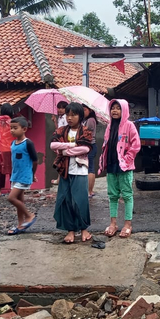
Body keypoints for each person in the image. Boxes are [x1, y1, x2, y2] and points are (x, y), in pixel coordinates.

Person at [51, 103, 93, 243]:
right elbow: (53, 145)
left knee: (80, 200)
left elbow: (86, 148)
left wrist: (64, 151)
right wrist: (73, 145)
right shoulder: (61, 130)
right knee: (66, 200)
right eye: (67, 115)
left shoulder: (85, 131)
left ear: (80, 116)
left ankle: (84, 229)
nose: (69, 118)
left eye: (73, 115)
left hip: (80, 170)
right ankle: (70, 230)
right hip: (65, 170)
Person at [99, 99, 141, 239]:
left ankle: (128, 224)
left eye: (118, 108)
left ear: (124, 110)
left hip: (125, 167)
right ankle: (113, 223)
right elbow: (106, 145)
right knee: (112, 196)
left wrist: (127, 160)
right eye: (113, 108)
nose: (115, 111)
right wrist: (103, 161)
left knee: (127, 195)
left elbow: (136, 145)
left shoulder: (130, 125)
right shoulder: (109, 126)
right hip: (111, 165)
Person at [6, 117, 38, 235]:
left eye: (15, 128)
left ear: (24, 129)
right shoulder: (13, 143)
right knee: (19, 200)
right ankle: (20, 225)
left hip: (24, 176)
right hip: (15, 176)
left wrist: (32, 174)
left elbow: (35, 161)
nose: (12, 130)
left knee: (11, 198)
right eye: (11, 128)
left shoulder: (28, 143)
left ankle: (29, 215)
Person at [51, 101, 68, 185]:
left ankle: (59, 178)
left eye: (63, 108)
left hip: (63, 140)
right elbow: (58, 129)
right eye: (59, 108)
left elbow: (63, 130)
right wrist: (55, 122)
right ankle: (59, 178)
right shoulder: (60, 117)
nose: (60, 110)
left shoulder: (66, 118)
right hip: (60, 139)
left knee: (60, 158)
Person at [82, 104, 98, 198]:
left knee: (90, 168)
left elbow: (86, 133)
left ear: (90, 110)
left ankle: (89, 191)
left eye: (85, 110)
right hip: (89, 145)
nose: (83, 112)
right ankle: (90, 190)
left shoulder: (90, 120)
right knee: (89, 167)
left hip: (90, 145)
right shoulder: (86, 120)